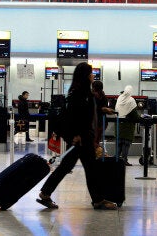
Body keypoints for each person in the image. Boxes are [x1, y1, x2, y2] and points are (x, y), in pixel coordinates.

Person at [37, 62, 117, 210]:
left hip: (82, 137)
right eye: (91, 73)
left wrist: (102, 108)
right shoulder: (78, 92)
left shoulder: (81, 92)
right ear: (85, 75)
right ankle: (98, 200)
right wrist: (76, 135)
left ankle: (45, 193)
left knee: (68, 167)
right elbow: (74, 116)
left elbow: (85, 111)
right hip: (81, 138)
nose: (93, 75)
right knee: (89, 168)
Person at [115, 85, 140, 166]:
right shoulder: (131, 100)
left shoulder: (119, 98)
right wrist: (140, 118)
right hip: (127, 127)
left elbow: (116, 110)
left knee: (119, 143)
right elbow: (135, 115)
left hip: (118, 125)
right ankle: (124, 160)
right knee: (126, 144)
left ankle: (116, 159)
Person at [92, 81, 113, 148]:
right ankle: (96, 154)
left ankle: (96, 154)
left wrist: (105, 109)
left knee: (94, 141)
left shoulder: (93, 97)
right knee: (95, 141)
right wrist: (104, 109)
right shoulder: (103, 97)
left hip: (97, 123)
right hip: (101, 123)